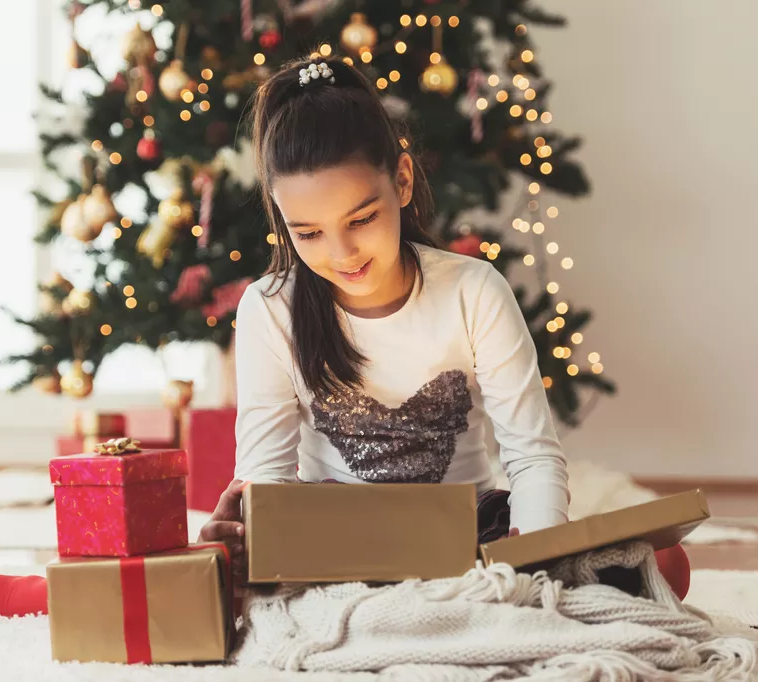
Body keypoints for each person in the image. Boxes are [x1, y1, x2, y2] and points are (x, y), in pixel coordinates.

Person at [197, 57, 691, 601]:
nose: (341, 255)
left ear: (402, 181)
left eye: (361, 219)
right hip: (334, 540)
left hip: (469, 536)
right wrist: (250, 536)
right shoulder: (269, 308)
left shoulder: (472, 290)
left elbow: (531, 455)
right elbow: (266, 477)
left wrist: (531, 562)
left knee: (661, 563)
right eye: (308, 233)